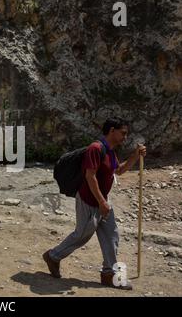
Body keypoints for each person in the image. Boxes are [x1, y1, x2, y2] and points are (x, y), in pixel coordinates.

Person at [43, 117, 147, 290]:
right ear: (112, 130)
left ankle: (109, 274)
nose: (125, 137)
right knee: (82, 235)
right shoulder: (95, 149)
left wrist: (135, 156)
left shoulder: (110, 151)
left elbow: (119, 170)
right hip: (89, 200)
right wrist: (101, 201)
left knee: (112, 236)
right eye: (123, 133)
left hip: (102, 201)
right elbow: (89, 176)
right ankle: (53, 256)